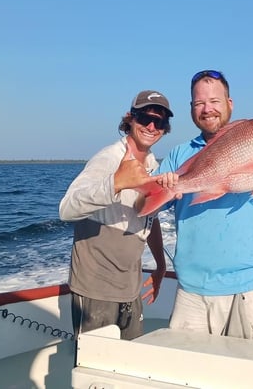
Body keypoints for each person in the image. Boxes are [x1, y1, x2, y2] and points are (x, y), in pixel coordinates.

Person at [156, 70, 253, 344]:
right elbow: (147, 206)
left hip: (252, 289)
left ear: (230, 104)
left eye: (215, 101)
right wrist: (164, 188)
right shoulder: (179, 155)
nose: (208, 110)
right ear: (192, 110)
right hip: (193, 291)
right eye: (199, 103)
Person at [58, 90, 173, 340]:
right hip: (96, 290)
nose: (151, 126)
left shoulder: (153, 166)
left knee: (128, 363)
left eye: (160, 121)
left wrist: (161, 266)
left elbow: (148, 218)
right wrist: (115, 183)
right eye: (144, 118)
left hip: (130, 289)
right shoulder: (108, 159)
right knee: (94, 371)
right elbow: (66, 208)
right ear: (130, 119)